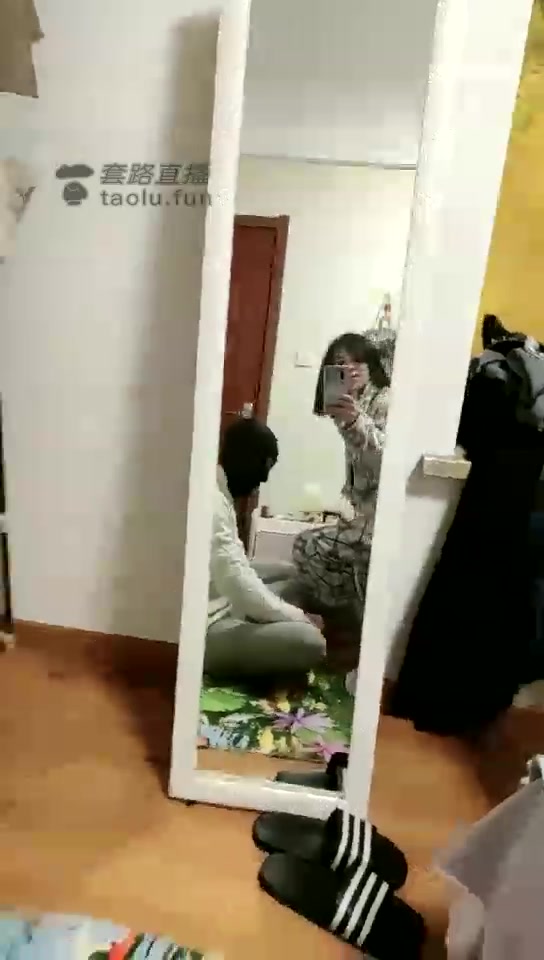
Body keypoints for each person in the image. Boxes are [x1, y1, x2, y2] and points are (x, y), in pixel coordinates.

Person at [204, 417, 326, 681]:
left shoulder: (220, 491)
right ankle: (261, 625)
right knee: (311, 642)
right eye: (266, 467)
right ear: (250, 460)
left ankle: (261, 618)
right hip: (208, 626)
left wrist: (284, 612)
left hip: (226, 600)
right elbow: (235, 578)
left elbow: (238, 563)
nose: (264, 480)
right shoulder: (211, 502)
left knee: (293, 575)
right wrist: (299, 618)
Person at [292, 332, 393, 616]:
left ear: (370, 365)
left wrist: (355, 421)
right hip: (362, 515)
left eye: (357, 362)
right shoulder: (354, 404)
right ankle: (342, 613)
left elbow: (388, 462)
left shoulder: (384, 401)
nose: (349, 369)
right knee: (308, 545)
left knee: (308, 547)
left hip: (380, 523)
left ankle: (340, 616)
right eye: (340, 364)